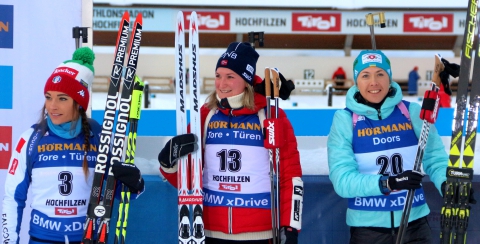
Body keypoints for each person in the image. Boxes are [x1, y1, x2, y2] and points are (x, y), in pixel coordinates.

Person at [158, 42, 303, 243]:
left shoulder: (270, 116)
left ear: (246, 80)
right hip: (210, 231)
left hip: (259, 233)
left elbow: (290, 176)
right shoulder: (206, 115)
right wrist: (169, 164)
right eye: (218, 76)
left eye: (230, 76)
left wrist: (291, 226)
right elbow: (189, 181)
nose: (222, 84)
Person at [1, 47, 144, 244]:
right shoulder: (31, 139)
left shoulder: (99, 137)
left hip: (87, 238)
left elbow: (119, 191)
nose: (52, 106)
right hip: (42, 239)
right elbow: (12, 199)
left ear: (79, 103)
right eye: (49, 97)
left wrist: (135, 183)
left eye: (62, 98)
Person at [327, 50, 451, 243]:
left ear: (390, 78)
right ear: (356, 81)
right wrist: (388, 183)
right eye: (365, 75)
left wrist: (447, 184)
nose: (374, 82)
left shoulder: (412, 112)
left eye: (380, 74)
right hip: (368, 231)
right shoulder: (345, 120)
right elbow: (342, 180)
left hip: (415, 225)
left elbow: (435, 158)